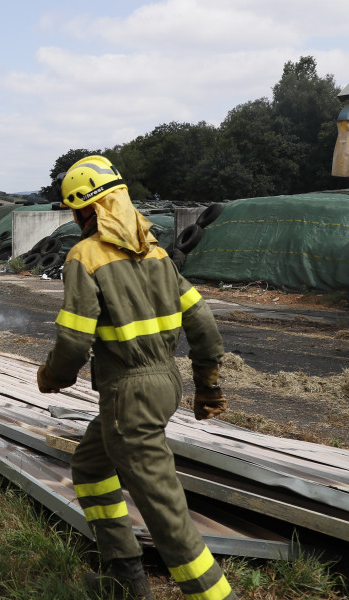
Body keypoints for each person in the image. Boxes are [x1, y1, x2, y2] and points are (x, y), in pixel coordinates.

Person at [37, 156, 236, 600]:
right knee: (90, 466)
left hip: (129, 395)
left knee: (167, 516)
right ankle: (124, 578)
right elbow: (202, 321)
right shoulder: (158, 254)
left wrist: (51, 377)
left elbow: (72, 342)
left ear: (85, 210)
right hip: (165, 386)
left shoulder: (84, 257)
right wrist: (209, 385)